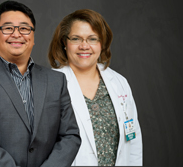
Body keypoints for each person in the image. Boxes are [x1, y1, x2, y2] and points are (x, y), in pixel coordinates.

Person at [0, 0, 81, 167]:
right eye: (8, 28)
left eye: (24, 28)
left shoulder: (56, 80)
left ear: (32, 37)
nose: (16, 34)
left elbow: (70, 135)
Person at [48, 9, 142, 166]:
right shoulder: (50, 85)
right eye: (76, 39)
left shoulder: (119, 83)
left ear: (102, 43)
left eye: (92, 39)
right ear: (65, 43)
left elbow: (133, 139)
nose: (84, 46)